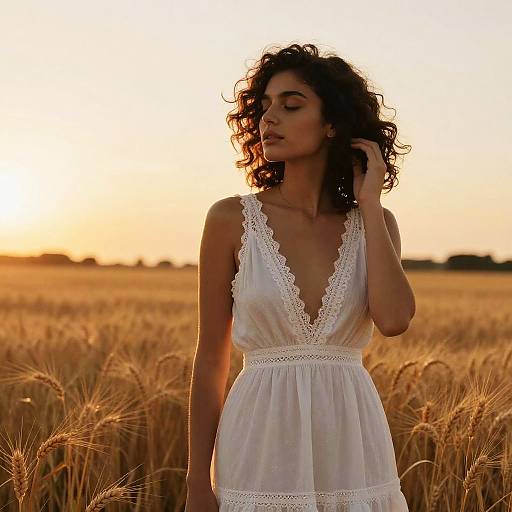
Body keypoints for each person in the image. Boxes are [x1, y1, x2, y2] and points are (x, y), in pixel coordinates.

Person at [186, 43, 416, 512]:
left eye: (290, 106)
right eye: (264, 107)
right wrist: (195, 483)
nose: (269, 118)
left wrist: (369, 204)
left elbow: (393, 320)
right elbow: (211, 358)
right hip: (259, 439)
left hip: (352, 439)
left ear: (332, 123)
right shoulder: (231, 220)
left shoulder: (377, 222)